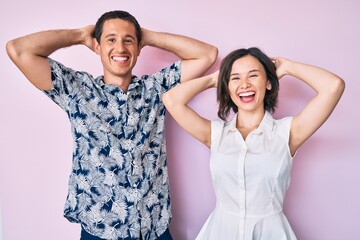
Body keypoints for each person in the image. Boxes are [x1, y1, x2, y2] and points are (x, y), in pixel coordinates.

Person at [6, 10, 217, 240]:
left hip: (153, 229)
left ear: (137, 49)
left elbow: (207, 55)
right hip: (100, 232)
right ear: (97, 46)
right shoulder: (77, 90)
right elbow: (18, 50)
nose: (120, 48)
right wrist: (79, 35)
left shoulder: (155, 89)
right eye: (111, 39)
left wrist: (147, 37)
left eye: (128, 41)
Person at [163, 47, 345, 239]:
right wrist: (214, 79)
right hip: (221, 231)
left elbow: (334, 86)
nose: (245, 84)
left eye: (253, 76)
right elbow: (171, 99)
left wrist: (288, 67)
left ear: (268, 82)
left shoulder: (288, 133)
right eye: (235, 78)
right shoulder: (216, 134)